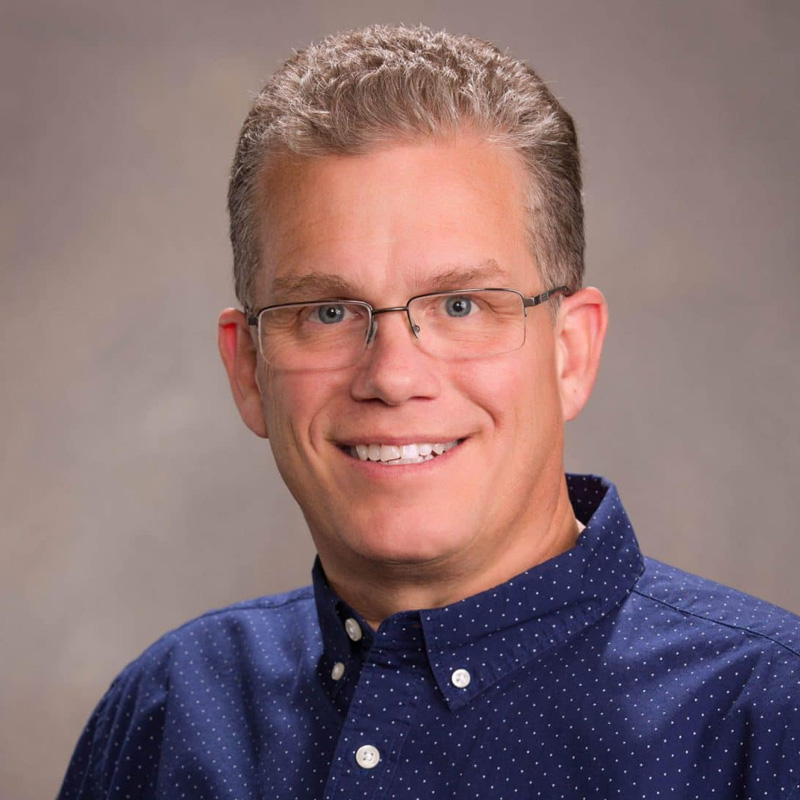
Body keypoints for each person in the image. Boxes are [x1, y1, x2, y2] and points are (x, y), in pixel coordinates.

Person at [58, 24, 800, 799]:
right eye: (328, 312)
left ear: (570, 352)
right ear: (248, 369)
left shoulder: (771, 719)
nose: (393, 376)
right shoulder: (168, 714)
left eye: (461, 305)